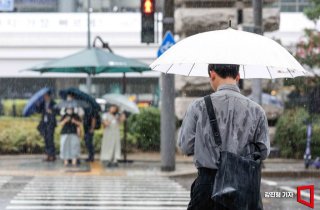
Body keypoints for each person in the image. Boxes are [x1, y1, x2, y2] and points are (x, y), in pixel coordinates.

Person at [179, 64, 270, 210]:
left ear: (212, 74)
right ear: (238, 77)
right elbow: (263, 152)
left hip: (207, 186)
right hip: (243, 186)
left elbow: (185, 146)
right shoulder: (257, 111)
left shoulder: (198, 106)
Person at [36, 92, 57, 162]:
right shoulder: (42, 103)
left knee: (50, 139)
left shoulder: (53, 103)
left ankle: (52, 155)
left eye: (46, 96)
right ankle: (48, 154)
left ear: (49, 96)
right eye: (44, 96)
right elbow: (38, 111)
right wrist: (37, 105)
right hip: (44, 123)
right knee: (46, 139)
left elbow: (57, 111)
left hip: (51, 123)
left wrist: (51, 111)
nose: (45, 97)